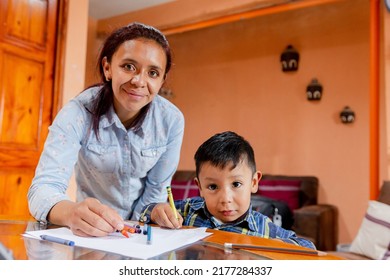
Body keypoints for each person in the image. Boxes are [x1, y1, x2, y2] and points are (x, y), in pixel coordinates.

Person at [28, 22, 184, 237]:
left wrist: (142, 219)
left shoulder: (172, 121)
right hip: (91, 233)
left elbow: (156, 190)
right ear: (107, 67)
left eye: (153, 73)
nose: (139, 81)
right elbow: (42, 190)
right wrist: (71, 212)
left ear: (162, 80)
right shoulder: (78, 112)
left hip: (140, 235)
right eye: (129, 66)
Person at [139, 131, 315, 249]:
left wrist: (278, 246)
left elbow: (307, 247)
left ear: (254, 182)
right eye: (213, 187)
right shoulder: (187, 210)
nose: (225, 198)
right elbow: (144, 215)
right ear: (199, 187)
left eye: (236, 184)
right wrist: (155, 211)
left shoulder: (263, 227)